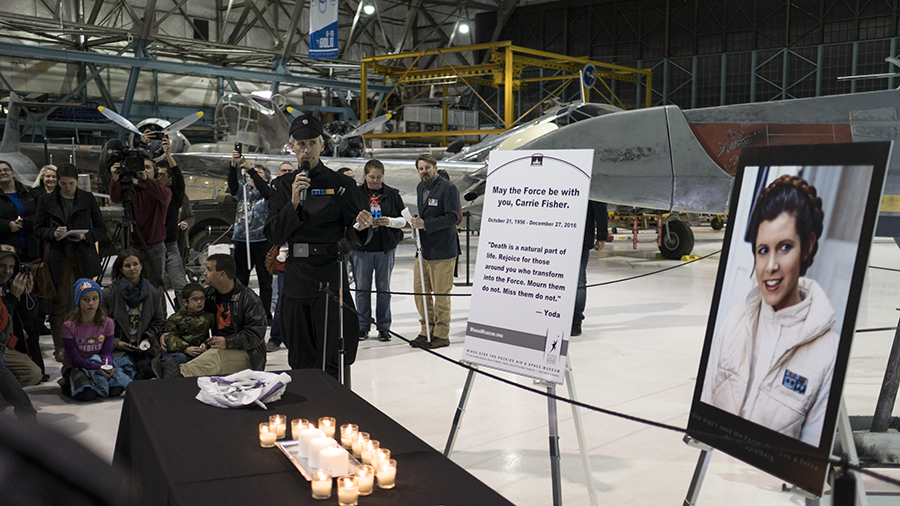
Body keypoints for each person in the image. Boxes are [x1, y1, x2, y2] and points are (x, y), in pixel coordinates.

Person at [701, 174, 836, 446]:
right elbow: (705, 417)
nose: (770, 265)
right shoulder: (734, 322)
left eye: (784, 247)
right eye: (763, 250)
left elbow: (808, 463)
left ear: (808, 246)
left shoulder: (828, 352)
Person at [265, 113, 371, 381]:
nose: (306, 149)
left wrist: (362, 226)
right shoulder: (282, 186)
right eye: (300, 144)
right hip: (297, 276)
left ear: (322, 145)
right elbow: (273, 234)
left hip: (329, 275)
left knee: (333, 352)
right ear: (292, 147)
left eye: (312, 143)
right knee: (300, 354)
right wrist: (293, 203)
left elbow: (356, 233)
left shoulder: (341, 185)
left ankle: (335, 407)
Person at [34, 162, 107, 363]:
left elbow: (101, 228)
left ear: (77, 181)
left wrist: (86, 236)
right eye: (64, 183)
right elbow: (38, 229)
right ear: (58, 182)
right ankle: (61, 346)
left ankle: (89, 342)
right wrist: (53, 233)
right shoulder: (46, 200)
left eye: (71, 183)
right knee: (59, 301)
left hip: (82, 255)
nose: (67, 187)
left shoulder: (87, 198)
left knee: (89, 298)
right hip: (59, 255)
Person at [161, 254, 267, 378]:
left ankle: (178, 374)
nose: (205, 273)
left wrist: (228, 341)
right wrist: (165, 333)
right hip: (215, 347)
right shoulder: (209, 295)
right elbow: (184, 316)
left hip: (247, 353)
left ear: (222, 275)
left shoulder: (250, 300)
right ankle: (169, 373)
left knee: (216, 357)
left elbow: (255, 335)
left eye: (209, 269)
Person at [409, 154, 460, 349]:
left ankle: (441, 334)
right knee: (420, 293)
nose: (424, 171)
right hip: (423, 250)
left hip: (443, 251)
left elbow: (452, 217)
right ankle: (426, 330)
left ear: (435, 167)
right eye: (421, 168)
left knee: (440, 295)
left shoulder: (448, 188)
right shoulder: (420, 187)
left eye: (427, 167)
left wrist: (425, 224)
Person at [350, 159, 404, 342]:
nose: (375, 180)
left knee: (384, 289)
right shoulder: (355, 194)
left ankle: (383, 327)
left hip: (385, 249)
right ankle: (362, 326)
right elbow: (347, 220)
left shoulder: (393, 194)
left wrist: (390, 222)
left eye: (378, 177)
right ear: (365, 176)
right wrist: (360, 225)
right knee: (362, 289)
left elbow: (404, 220)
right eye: (371, 176)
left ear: (383, 176)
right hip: (361, 250)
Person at [59, 279, 132, 401]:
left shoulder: (107, 323)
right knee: (88, 394)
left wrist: (108, 366)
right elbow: (75, 359)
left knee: (115, 390)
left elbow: (107, 352)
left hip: (98, 363)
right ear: (78, 301)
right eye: (86, 299)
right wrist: (98, 367)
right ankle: (67, 383)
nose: (91, 303)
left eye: (95, 298)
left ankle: (96, 382)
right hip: (77, 366)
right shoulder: (68, 326)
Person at [108, 152, 172, 287]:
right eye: (140, 167)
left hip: (155, 246)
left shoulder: (163, 191)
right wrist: (114, 179)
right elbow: (115, 198)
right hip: (134, 246)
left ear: (155, 172)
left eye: (147, 167)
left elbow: (164, 198)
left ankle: (158, 309)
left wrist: (146, 180)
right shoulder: (132, 191)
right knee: (133, 284)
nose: (143, 170)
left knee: (156, 286)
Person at [101, 249, 166, 380]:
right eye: (127, 265)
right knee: (123, 373)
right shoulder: (108, 294)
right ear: (120, 269)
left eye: (135, 264)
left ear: (141, 266)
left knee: (148, 371)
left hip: (146, 348)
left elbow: (159, 322)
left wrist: (148, 338)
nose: (132, 268)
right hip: (120, 349)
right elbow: (99, 325)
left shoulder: (155, 293)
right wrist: (115, 343)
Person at [228, 157, 273, 320]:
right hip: (242, 240)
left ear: (266, 179)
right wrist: (233, 166)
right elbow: (233, 185)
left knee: (265, 281)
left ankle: (265, 313)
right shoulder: (244, 191)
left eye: (258, 173)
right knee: (240, 280)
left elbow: (265, 192)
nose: (252, 176)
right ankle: (240, 313)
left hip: (262, 242)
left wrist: (251, 171)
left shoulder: (269, 193)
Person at [0, 245, 36, 420]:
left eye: (11, 267)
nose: (7, 271)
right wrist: (12, 298)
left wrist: (28, 294)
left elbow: (30, 319)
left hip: (6, 347)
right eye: (2, 266)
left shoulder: (10, 285)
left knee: (34, 373)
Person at [154, 135, 187, 304]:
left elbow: (179, 178)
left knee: (181, 284)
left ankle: (185, 315)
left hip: (170, 245)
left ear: (169, 178)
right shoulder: (150, 193)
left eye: (162, 175)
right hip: (154, 245)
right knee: (156, 286)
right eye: (157, 175)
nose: (158, 178)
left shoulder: (174, 195)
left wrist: (168, 154)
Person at [155, 283, 214, 371]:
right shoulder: (175, 318)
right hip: (180, 352)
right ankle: (158, 366)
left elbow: (215, 335)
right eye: (195, 299)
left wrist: (206, 345)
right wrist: (186, 348)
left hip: (199, 351)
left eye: (202, 298)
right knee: (180, 358)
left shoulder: (209, 317)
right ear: (185, 302)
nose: (199, 302)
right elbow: (170, 337)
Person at [571, 200, 608, 336]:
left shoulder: (590, 180)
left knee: (579, 281)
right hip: (558, 237)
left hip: (582, 237)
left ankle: (576, 321)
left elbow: (600, 206)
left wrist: (602, 236)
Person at [0, 160, 40, 262]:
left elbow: (41, 216)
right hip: (7, 252)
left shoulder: (30, 193)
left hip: (33, 248)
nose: (3, 172)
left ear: (13, 172)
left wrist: (26, 222)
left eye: (6, 170)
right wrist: (7, 225)